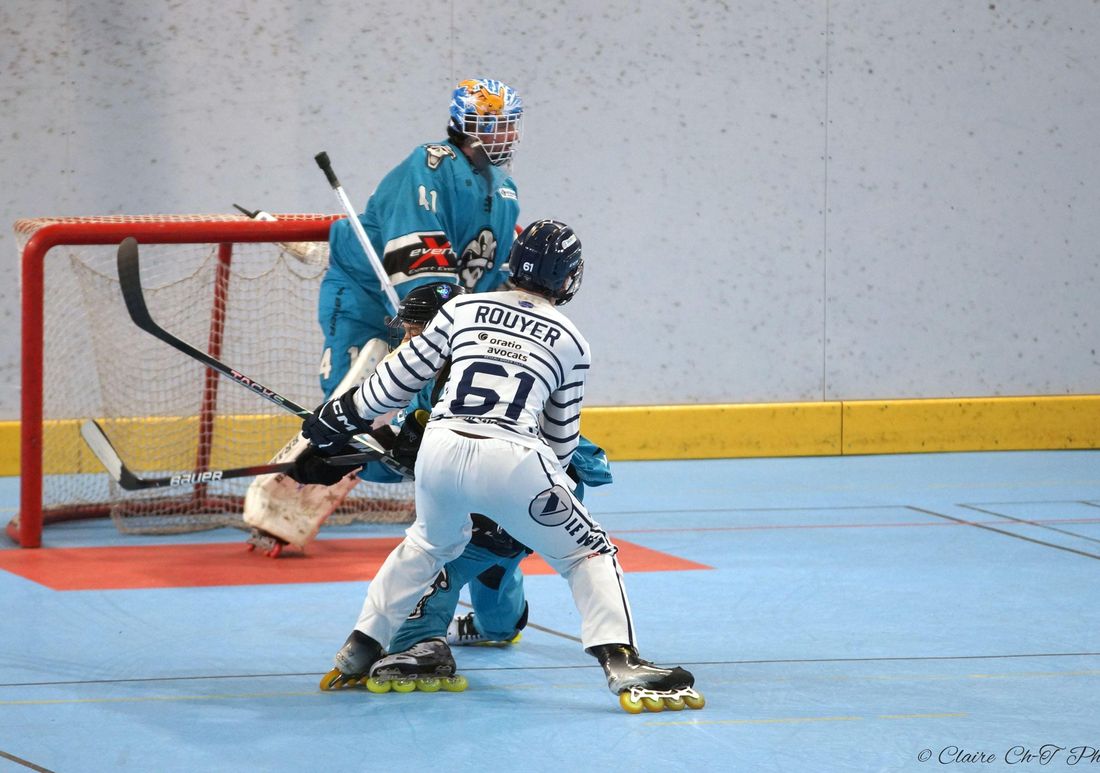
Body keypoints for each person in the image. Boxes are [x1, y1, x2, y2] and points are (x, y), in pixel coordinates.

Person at [298, 221, 704, 713]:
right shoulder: (572, 340)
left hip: (441, 447)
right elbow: (560, 440)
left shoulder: (461, 309)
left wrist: (331, 423)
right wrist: (528, 500)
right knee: (588, 552)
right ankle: (621, 660)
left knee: (425, 546)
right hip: (514, 461)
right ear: (569, 277)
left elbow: (393, 381)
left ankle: (362, 646)